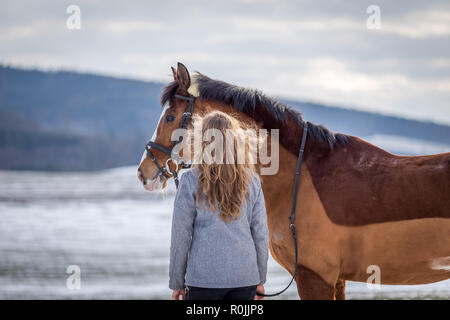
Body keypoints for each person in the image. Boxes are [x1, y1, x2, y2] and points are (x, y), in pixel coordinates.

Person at [169, 111, 269, 300]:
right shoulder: (253, 181)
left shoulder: (190, 180)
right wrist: (260, 279)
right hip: (245, 279)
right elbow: (261, 236)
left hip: (203, 280)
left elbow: (180, 237)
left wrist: (177, 283)